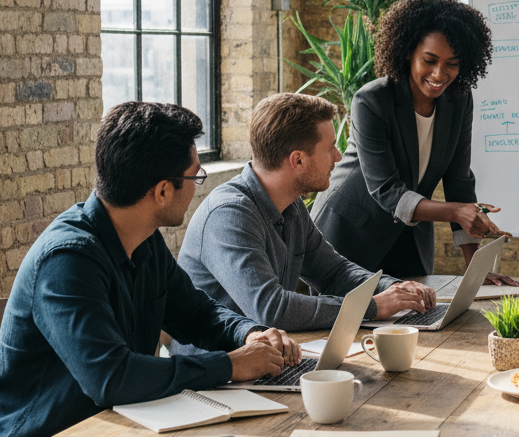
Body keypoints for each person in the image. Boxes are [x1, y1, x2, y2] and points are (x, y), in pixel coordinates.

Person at [0, 102, 299, 437]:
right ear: (162, 192)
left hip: (121, 432)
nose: (197, 187)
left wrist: (249, 334)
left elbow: (197, 313)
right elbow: (111, 378)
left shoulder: (143, 237)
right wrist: (231, 364)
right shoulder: (67, 260)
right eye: (195, 177)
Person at [175, 93, 439, 343]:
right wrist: (371, 307)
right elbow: (271, 309)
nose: (337, 157)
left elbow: (335, 273)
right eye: (330, 148)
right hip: (218, 377)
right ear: (298, 161)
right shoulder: (229, 215)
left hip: (270, 358)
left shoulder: (291, 204)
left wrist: (398, 288)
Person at [311, 0, 517, 284]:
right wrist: (457, 212)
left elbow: (459, 182)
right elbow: (386, 190)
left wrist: (476, 269)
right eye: (429, 60)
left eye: (452, 63)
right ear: (408, 51)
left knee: (417, 321)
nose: (439, 73)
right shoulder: (372, 101)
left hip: (409, 242)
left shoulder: (458, 99)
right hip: (349, 237)